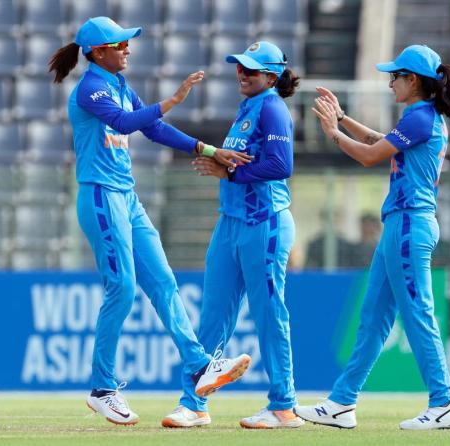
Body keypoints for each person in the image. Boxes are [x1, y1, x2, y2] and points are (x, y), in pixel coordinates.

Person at [48, 16, 254, 426]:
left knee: (162, 280)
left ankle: (198, 365)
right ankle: (102, 389)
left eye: (126, 43)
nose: (127, 49)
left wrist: (207, 149)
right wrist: (174, 99)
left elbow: (154, 128)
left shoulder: (119, 85)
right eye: (120, 44)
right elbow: (126, 124)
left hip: (127, 196)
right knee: (122, 288)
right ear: (97, 52)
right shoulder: (90, 88)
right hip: (102, 196)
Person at [294, 44, 450, 430]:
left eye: (395, 77)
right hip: (403, 225)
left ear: (414, 80)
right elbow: (379, 140)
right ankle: (341, 403)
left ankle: (443, 402)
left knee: (417, 312)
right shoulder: (421, 116)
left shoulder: (420, 116)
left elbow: (371, 155)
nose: (390, 84)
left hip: (409, 224)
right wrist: (343, 118)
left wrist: (333, 133)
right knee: (373, 318)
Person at [161, 41, 303, 429]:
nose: (242, 74)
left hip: (265, 223)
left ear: (271, 76)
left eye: (251, 70)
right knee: (212, 317)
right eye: (240, 68)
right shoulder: (248, 108)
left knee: (269, 314)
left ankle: (283, 406)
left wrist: (231, 173)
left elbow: (281, 164)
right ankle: (193, 404)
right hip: (231, 223)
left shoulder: (273, 107)